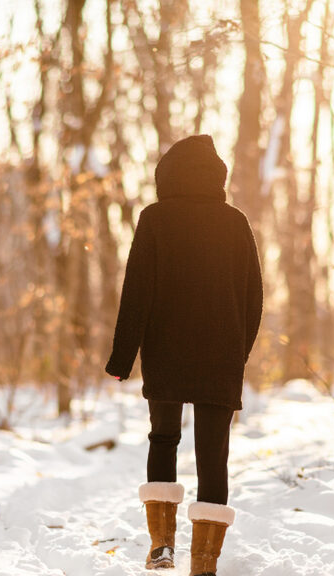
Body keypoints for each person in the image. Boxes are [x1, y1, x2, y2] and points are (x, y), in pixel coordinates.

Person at [105, 134, 263, 575]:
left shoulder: (154, 219)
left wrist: (123, 359)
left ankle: (161, 548)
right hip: (220, 358)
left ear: (166, 175)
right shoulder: (236, 223)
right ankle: (204, 565)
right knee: (215, 455)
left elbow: (136, 293)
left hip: (166, 352)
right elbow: (255, 299)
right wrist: (238, 351)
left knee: (164, 439)